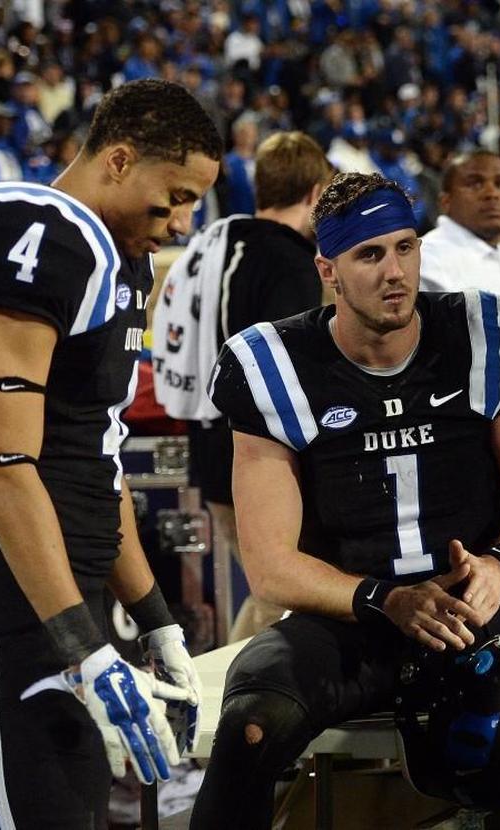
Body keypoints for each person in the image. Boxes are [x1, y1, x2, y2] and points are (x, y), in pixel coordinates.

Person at [188, 172, 500, 829]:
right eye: (370, 255)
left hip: (466, 614)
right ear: (329, 269)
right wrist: (385, 598)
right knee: (252, 726)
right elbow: (269, 566)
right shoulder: (274, 363)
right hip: (347, 623)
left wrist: (499, 567)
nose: (394, 271)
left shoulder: (480, 335)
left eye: (405, 248)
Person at [0, 78, 222, 828]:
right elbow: (0, 468)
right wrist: (81, 648)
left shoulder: (114, 257)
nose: (184, 223)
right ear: (119, 161)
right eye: (177, 196)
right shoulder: (29, 227)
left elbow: (100, 459)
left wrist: (154, 621)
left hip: (61, 587)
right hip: (1, 582)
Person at [152, 130, 333, 642]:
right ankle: (241, 703)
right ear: (316, 195)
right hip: (259, 457)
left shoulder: (222, 242)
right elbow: (285, 376)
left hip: (207, 442)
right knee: (288, 594)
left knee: (273, 595)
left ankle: (232, 698)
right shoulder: (288, 260)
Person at [420, 149, 500, 315]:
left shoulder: (497, 253)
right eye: (475, 184)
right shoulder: (428, 258)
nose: (492, 194)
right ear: (446, 201)